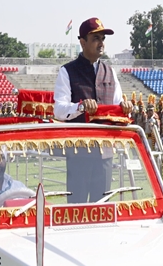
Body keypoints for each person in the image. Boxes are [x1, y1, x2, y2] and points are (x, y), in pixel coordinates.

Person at [53, 17, 132, 203]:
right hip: (79, 151)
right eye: (96, 38)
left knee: (102, 206)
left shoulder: (110, 72)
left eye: (103, 39)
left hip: (105, 152)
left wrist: (125, 108)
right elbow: (59, 110)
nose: (101, 43)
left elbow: (117, 103)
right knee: (77, 208)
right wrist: (80, 107)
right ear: (82, 42)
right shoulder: (67, 71)